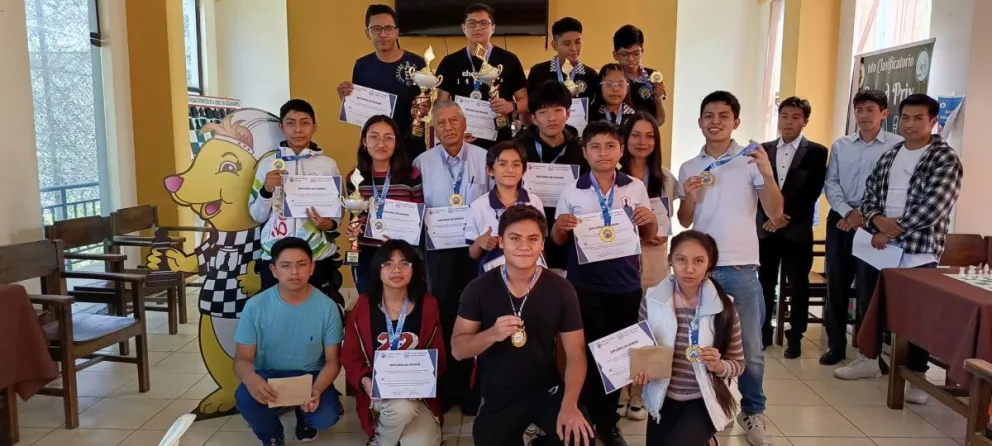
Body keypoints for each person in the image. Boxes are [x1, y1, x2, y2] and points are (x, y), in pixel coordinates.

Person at [833, 94, 963, 405]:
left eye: (919, 118)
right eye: (906, 117)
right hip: (877, 246)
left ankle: (917, 374)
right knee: (869, 302)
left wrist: (891, 231)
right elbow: (871, 194)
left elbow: (935, 206)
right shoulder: (891, 154)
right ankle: (869, 359)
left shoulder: (944, 158)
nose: (910, 123)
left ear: (933, 122)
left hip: (918, 250)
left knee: (917, 316)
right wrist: (876, 222)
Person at [677, 91, 782, 445]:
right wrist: (689, 198)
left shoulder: (751, 159)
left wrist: (767, 174)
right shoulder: (690, 166)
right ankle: (708, 410)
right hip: (701, 271)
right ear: (700, 122)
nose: (716, 121)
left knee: (750, 347)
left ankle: (753, 413)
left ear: (736, 122)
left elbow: (774, 211)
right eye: (709, 115)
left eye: (724, 115)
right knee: (702, 344)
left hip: (740, 267)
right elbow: (685, 220)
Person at [552, 121, 658, 446]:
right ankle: (581, 413)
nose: (603, 153)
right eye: (595, 147)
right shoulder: (572, 190)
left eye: (610, 146)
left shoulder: (635, 187)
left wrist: (649, 220)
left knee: (616, 356)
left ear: (621, 150)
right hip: (583, 286)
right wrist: (561, 226)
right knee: (582, 352)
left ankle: (607, 422)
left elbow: (649, 236)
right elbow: (557, 240)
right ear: (584, 152)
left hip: (625, 285)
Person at [452, 205, 594, 446]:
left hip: (547, 389)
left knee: (579, 439)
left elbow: (575, 353)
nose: (524, 246)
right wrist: (492, 334)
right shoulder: (478, 288)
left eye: (533, 239)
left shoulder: (561, 288)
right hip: (499, 392)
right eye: (515, 238)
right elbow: (458, 349)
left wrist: (570, 405)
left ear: (542, 244)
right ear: (501, 242)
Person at [412, 99, 491, 412]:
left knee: (478, 312)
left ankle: (474, 389)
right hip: (439, 250)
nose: (447, 127)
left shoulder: (485, 159)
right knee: (443, 313)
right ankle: (446, 387)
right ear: (434, 128)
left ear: (464, 124)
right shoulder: (422, 161)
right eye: (440, 122)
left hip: (477, 247)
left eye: (453, 121)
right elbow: (417, 209)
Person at [635, 230, 745, 445]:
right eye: (681, 260)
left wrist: (719, 365)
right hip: (663, 397)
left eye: (698, 261)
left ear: (709, 264)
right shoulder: (652, 301)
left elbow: (739, 364)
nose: (689, 269)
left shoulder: (724, 308)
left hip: (704, 399)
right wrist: (640, 370)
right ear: (670, 261)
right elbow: (641, 350)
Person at [819, 89, 904, 366]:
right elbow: (830, 183)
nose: (864, 116)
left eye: (870, 110)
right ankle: (836, 346)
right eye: (859, 110)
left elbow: (893, 189)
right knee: (837, 283)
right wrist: (847, 212)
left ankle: (870, 352)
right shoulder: (841, 145)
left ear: (884, 113)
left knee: (870, 287)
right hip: (842, 220)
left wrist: (864, 217)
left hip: (875, 224)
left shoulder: (898, 145)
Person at [233, 237, 343, 445]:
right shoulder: (255, 306)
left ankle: (305, 418)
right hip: (269, 375)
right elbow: (242, 359)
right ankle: (272, 434)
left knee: (327, 416)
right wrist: (251, 378)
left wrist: (317, 389)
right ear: (274, 270)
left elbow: (333, 361)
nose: (294, 272)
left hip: (310, 376)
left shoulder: (327, 307)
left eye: (301, 265)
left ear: (312, 268)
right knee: (245, 397)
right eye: (285, 266)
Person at [341, 239, 446, 446]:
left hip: (417, 394)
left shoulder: (428, 305)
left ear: (414, 269)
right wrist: (365, 380)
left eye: (404, 263)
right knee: (401, 408)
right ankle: (383, 441)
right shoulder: (363, 305)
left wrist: (421, 380)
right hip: (377, 391)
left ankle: (386, 432)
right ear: (377, 270)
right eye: (388, 264)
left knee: (421, 443)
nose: (396, 270)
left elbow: (439, 355)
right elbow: (350, 356)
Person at [250, 99, 346, 313]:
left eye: (305, 123)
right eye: (291, 123)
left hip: (316, 255)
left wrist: (326, 223)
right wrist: (266, 190)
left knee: (318, 315)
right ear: (281, 127)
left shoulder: (327, 165)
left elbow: (337, 215)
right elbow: (256, 214)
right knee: (274, 315)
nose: (298, 130)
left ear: (314, 127)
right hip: (275, 255)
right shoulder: (267, 165)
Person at [614, 111, 676, 422]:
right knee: (621, 326)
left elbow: (674, 221)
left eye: (649, 136)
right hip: (620, 261)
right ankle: (619, 389)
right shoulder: (611, 176)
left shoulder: (665, 178)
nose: (642, 141)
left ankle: (639, 393)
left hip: (654, 261)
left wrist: (657, 233)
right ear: (624, 139)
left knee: (648, 328)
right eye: (635, 135)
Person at [756, 97, 828, 357]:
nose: (788, 121)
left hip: (797, 231)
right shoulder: (764, 149)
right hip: (766, 229)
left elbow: (812, 190)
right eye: (784, 115)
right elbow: (758, 186)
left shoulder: (817, 152)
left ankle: (795, 336)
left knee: (798, 284)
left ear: (805, 121)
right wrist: (770, 218)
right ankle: (763, 330)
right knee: (764, 282)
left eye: (795, 117)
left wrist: (781, 217)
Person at [337, 5, 430, 160]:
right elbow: (360, 112)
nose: (383, 34)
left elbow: (427, 106)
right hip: (376, 150)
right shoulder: (362, 66)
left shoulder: (416, 63)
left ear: (397, 32)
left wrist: (425, 107)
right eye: (376, 29)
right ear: (368, 33)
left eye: (388, 28)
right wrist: (347, 100)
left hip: (411, 146)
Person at [344, 115, 424, 294]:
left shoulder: (411, 175)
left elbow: (418, 216)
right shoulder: (354, 177)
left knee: (404, 306)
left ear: (397, 142)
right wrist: (353, 229)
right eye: (374, 137)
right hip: (367, 254)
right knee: (370, 307)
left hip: (402, 255)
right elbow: (355, 216)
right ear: (364, 141)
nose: (381, 143)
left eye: (388, 137)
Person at [516, 80, 588, 273]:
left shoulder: (582, 151)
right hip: (527, 232)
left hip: (570, 234)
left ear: (568, 113)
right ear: (533, 118)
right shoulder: (518, 148)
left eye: (557, 110)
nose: (551, 118)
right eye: (543, 112)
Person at [436, 2, 528, 147]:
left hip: (500, 141)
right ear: (463, 28)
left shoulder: (509, 60)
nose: (477, 27)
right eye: (472, 23)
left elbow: (525, 101)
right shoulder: (450, 62)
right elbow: (441, 104)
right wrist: (454, 131)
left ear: (493, 28)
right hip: (461, 140)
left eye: (484, 23)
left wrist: (511, 106)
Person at [466, 140, 546, 273]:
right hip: (493, 277)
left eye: (516, 164)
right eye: (502, 164)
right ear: (490, 170)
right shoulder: (478, 206)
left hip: (531, 272)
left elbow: (542, 244)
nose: (510, 170)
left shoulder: (534, 201)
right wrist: (480, 243)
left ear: (523, 170)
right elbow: (472, 253)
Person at [526, 17, 599, 102]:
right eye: (567, 44)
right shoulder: (538, 72)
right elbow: (529, 107)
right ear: (554, 45)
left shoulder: (591, 75)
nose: (574, 48)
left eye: (578, 42)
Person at [611, 25, 666, 125]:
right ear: (615, 55)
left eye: (636, 54)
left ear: (642, 52)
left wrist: (658, 100)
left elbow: (660, 121)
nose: (631, 59)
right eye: (624, 54)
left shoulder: (653, 77)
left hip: (645, 137)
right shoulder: (610, 79)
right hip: (620, 136)